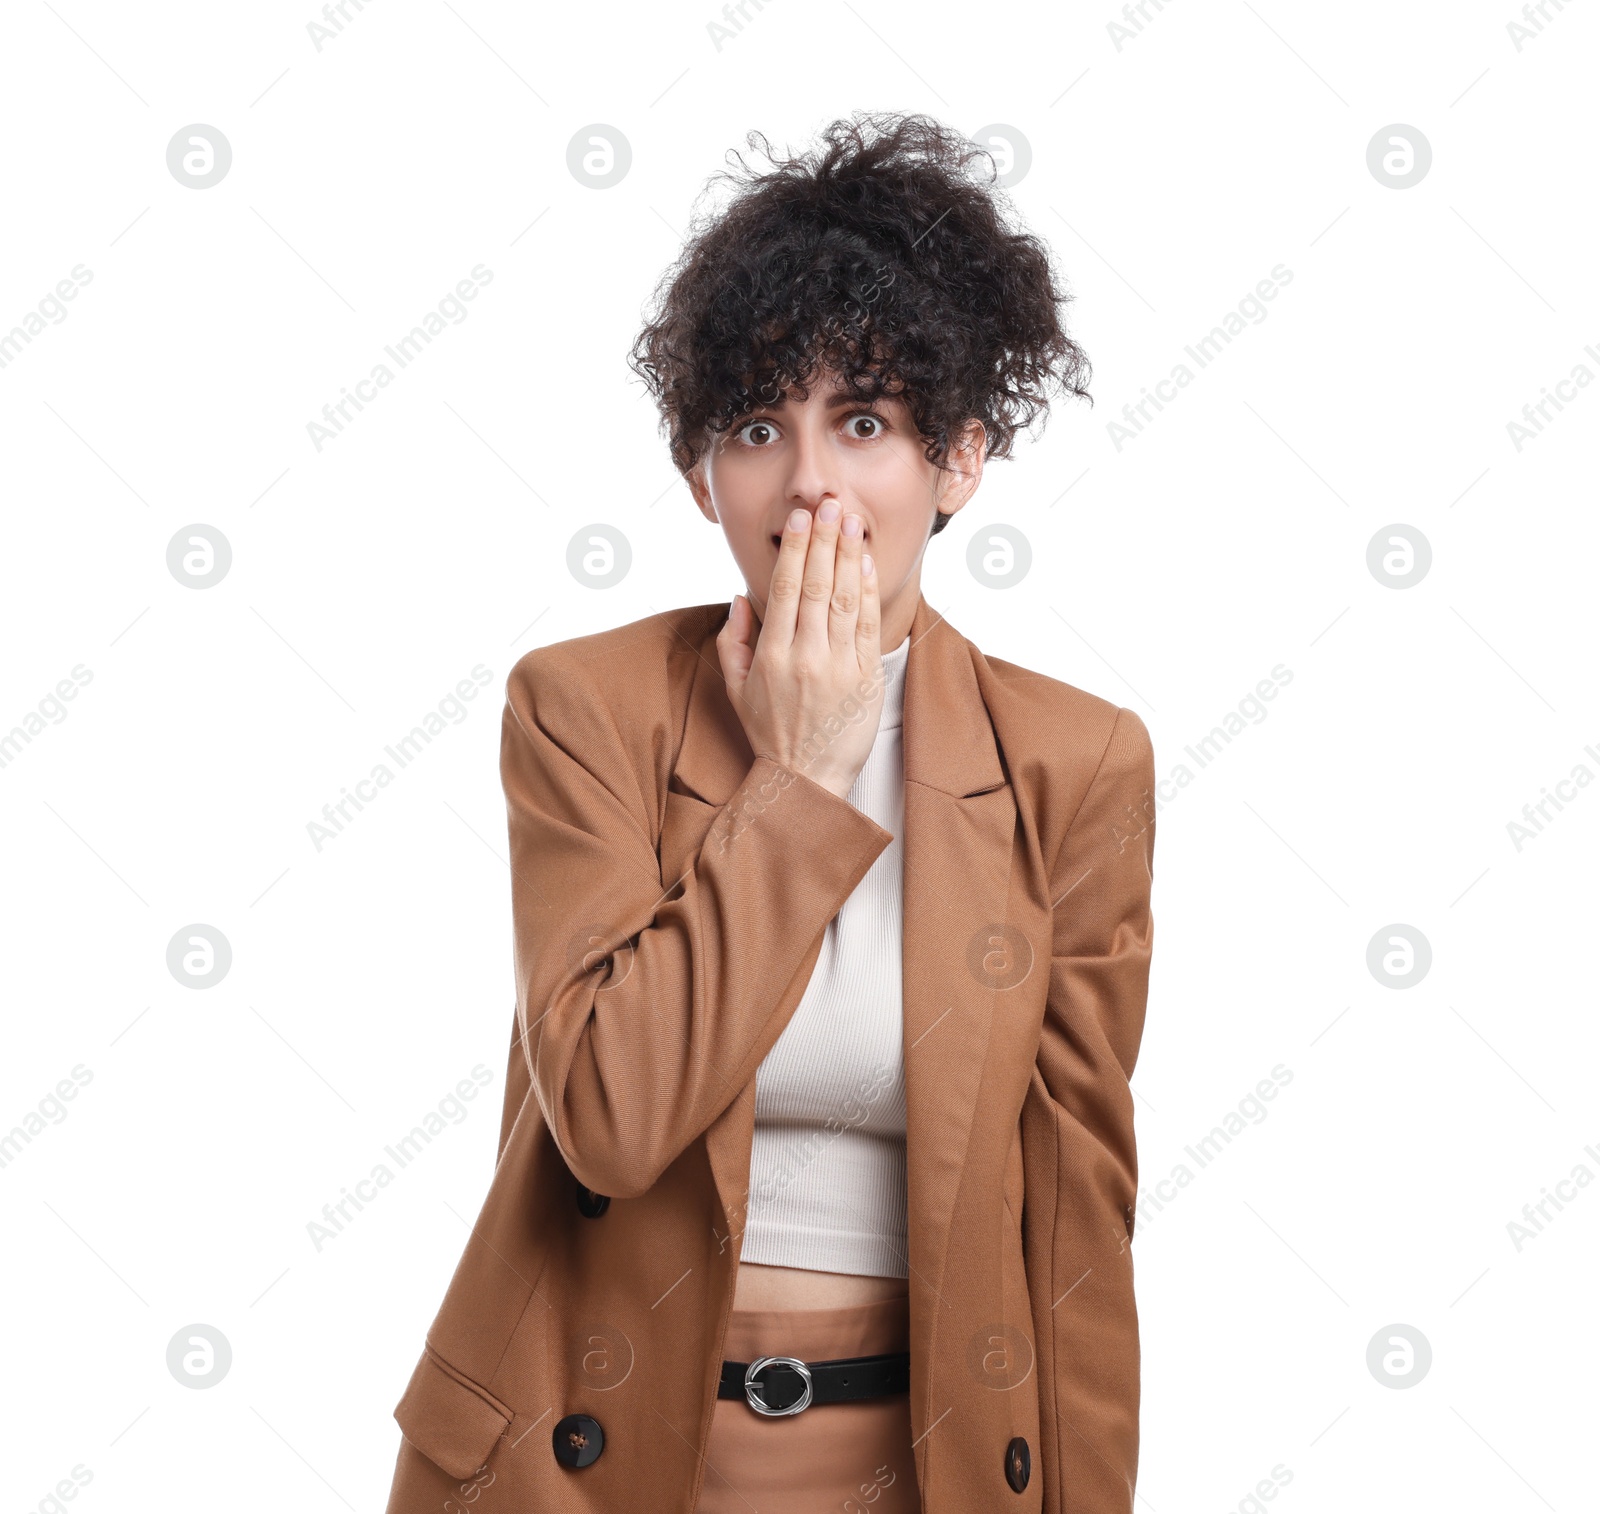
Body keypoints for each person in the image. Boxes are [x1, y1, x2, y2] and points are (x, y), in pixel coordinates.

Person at [384, 111, 1156, 1514]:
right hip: (592, 1461)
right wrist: (798, 780)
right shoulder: (585, 708)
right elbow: (611, 1116)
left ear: (961, 457)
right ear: (703, 479)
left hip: (919, 1469)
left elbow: (1078, 1222)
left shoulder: (1076, 762)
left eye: (864, 422)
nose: (810, 482)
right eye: (758, 426)